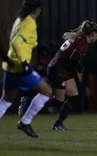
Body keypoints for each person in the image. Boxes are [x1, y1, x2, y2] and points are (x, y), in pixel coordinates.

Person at [0, 0, 52, 138]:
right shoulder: (30, 23)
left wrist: (37, 44)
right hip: (19, 67)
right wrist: (24, 64)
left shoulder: (19, 19)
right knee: (46, 91)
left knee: (6, 100)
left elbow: (20, 40)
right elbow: (17, 42)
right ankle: (25, 122)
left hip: (10, 66)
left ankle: (25, 122)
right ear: (37, 10)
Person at [47, 20, 97, 130]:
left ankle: (58, 124)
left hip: (65, 69)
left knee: (74, 96)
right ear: (93, 34)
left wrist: (76, 67)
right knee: (58, 102)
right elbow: (73, 58)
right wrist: (79, 66)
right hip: (58, 69)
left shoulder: (79, 39)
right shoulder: (82, 42)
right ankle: (30, 103)